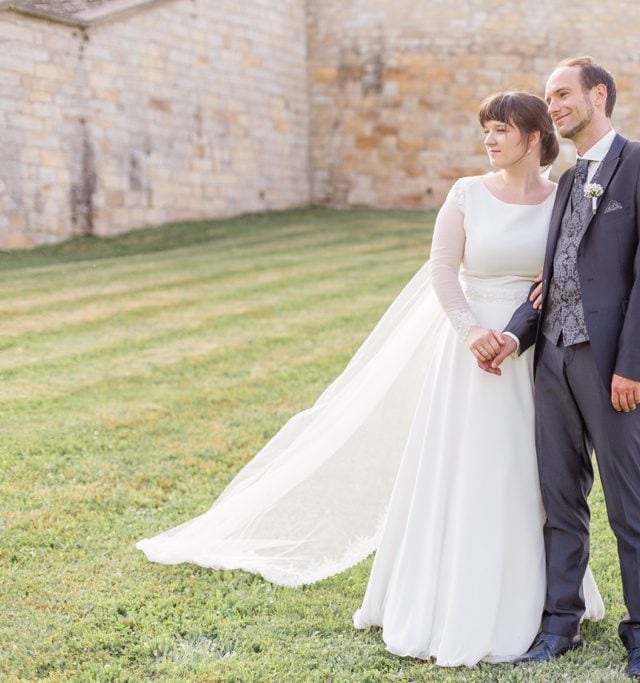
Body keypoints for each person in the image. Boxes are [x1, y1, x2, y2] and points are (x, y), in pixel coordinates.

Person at [136, 90, 603, 667]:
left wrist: (512, 334)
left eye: (501, 130)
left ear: (534, 138)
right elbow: (441, 268)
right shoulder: (465, 194)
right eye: (485, 129)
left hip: (529, 354)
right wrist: (469, 332)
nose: (488, 140)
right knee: (462, 468)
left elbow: (557, 275)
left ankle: (541, 600)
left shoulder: (562, 201)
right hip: (468, 353)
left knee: (525, 472)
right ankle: (445, 597)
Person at [492, 57, 640, 681]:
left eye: (563, 94)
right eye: (550, 98)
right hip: (554, 360)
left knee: (629, 503)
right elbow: (552, 280)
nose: (554, 107)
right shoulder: (570, 181)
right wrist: (514, 336)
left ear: (598, 94)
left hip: (611, 369)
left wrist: (633, 366)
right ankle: (559, 624)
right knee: (560, 498)